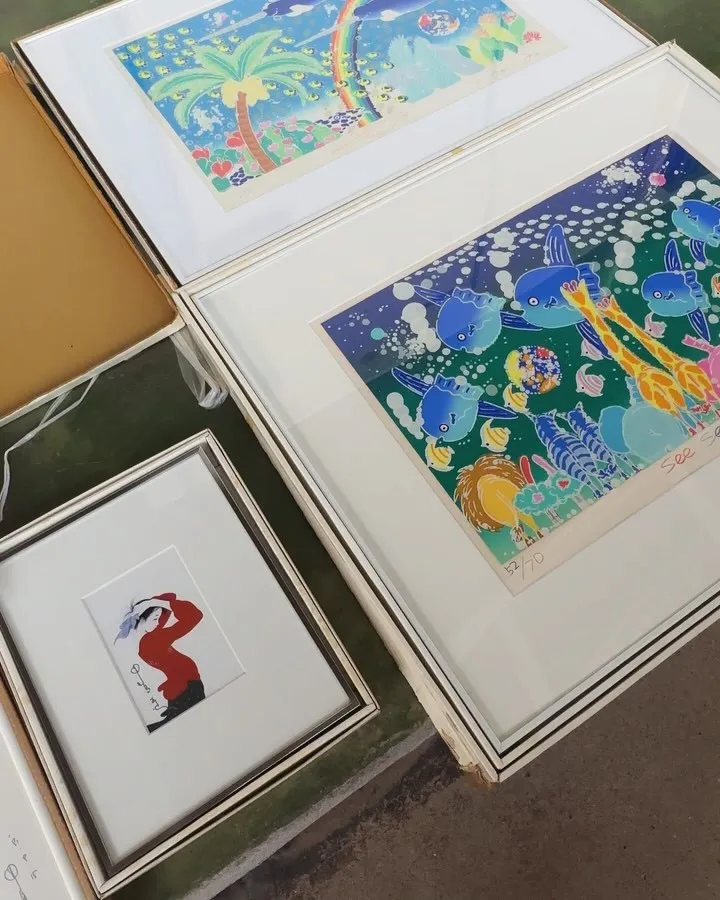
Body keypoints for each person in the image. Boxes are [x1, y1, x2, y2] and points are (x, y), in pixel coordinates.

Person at [116, 592, 205, 731]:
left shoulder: (150, 639)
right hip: (185, 688)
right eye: (155, 618)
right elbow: (194, 615)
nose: (158, 623)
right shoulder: (150, 639)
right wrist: (161, 603)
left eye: (159, 619)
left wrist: (158, 603)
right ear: (141, 618)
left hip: (185, 688)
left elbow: (194, 615)